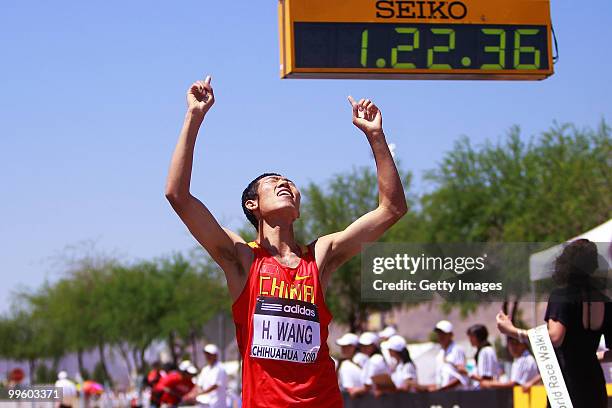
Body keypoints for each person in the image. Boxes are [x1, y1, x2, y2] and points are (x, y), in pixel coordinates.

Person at [165, 76, 407, 407]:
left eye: (289, 182)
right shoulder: (242, 260)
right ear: (252, 205)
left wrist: (376, 136)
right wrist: (194, 116)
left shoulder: (320, 256)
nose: (284, 183)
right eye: (273, 181)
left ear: (298, 208)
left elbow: (392, 209)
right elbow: (177, 195)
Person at [496, 239, 612, 408]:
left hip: (567, 385)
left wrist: (513, 331)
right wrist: (587, 357)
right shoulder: (605, 302)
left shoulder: (562, 296)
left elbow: (555, 337)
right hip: (594, 385)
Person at [430, 320, 468, 391]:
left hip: (457, 394)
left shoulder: (457, 350)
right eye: (439, 334)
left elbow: (462, 376)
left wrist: (445, 388)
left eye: (443, 334)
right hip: (444, 394)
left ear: (450, 335)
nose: (441, 336)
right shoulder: (440, 353)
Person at [355, 332, 391, 396]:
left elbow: (369, 385)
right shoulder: (371, 359)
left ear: (374, 346)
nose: (364, 347)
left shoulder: (376, 359)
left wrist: (355, 391)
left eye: (367, 345)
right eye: (362, 345)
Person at [336, 333, 365, 398]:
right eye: (342, 346)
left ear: (355, 347)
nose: (343, 348)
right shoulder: (342, 362)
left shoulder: (361, 358)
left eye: (348, 346)